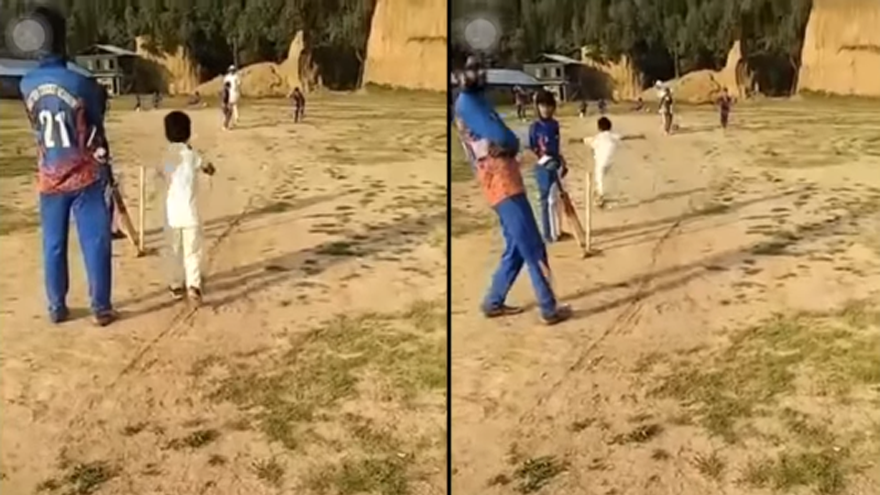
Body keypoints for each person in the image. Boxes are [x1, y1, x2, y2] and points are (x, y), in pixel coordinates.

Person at [454, 56, 571, 325]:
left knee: (517, 246)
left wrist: (511, 144)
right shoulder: (470, 103)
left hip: (500, 180)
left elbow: (507, 139)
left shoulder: (473, 101)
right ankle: (548, 307)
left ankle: (493, 300)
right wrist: (511, 144)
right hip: (501, 181)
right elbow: (504, 137)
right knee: (533, 245)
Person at [19, 5, 116, 326]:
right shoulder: (81, 83)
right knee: (96, 241)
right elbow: (96, 120)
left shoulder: (26, 84)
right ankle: (100, 306)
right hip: (85, 175)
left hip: (49, 175)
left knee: (54, 244)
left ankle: (56, 306)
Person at [157, 111, 215, 304]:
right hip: (191, 213)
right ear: (188, 132)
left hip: (172, 214)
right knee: (192, 251)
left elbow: (162, 174)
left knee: (173, 250)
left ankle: (175, 284)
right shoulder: (192, 155)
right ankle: (194, 286)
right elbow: (209, 168)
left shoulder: (166, 156)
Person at [528, 90, 569, 243]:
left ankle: (558, 230)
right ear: (538, 107)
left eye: (549, 106)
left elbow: (556, 146)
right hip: (543, 167)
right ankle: (548, 235)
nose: (546, 109)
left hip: (556, 164)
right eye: (543, 106)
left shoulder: (554, 125)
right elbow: (533, 148)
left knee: (557, 200)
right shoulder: (535, 127)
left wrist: (562, 162)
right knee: (546, 201)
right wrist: (545, 160)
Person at [583, 117, 638, 209]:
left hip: (601, 162)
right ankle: (602, 195)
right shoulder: (613, 136)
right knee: (606, 179)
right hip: (611, 161)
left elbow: (585, 140)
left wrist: (573, 140)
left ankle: (600, 197)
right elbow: (625, 137)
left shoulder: (597, 137)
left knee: (599, 179)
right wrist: (639, 136)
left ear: (599, 128)